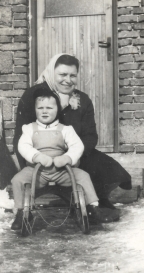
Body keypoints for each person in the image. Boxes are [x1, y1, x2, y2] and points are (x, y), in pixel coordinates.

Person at [13, 53, 132, 211]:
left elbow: (90, 136)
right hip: (41, 156)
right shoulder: (35, 96)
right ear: (51, 73)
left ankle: (97, 199)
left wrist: (73, 156)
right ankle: (24, 210)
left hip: (73, 155)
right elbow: (22, 136)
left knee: (110, 169)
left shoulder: (82, 99)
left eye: (72, 75)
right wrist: (30, 161)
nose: (67, 80)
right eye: (62, 74)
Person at [11, 88, 119, 230]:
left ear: (57, 110)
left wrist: (67, 157)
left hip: (62, 170)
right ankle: (20, 212)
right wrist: (37, 156)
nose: (44, 111)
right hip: (37, 171)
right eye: (40, 108)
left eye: (49, 108)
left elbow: (77, 146)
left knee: (83, 176)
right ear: (35, 110)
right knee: (17, 180)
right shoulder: (29, 129)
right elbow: (23, 146)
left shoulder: (66, 129)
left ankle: (92, 207)